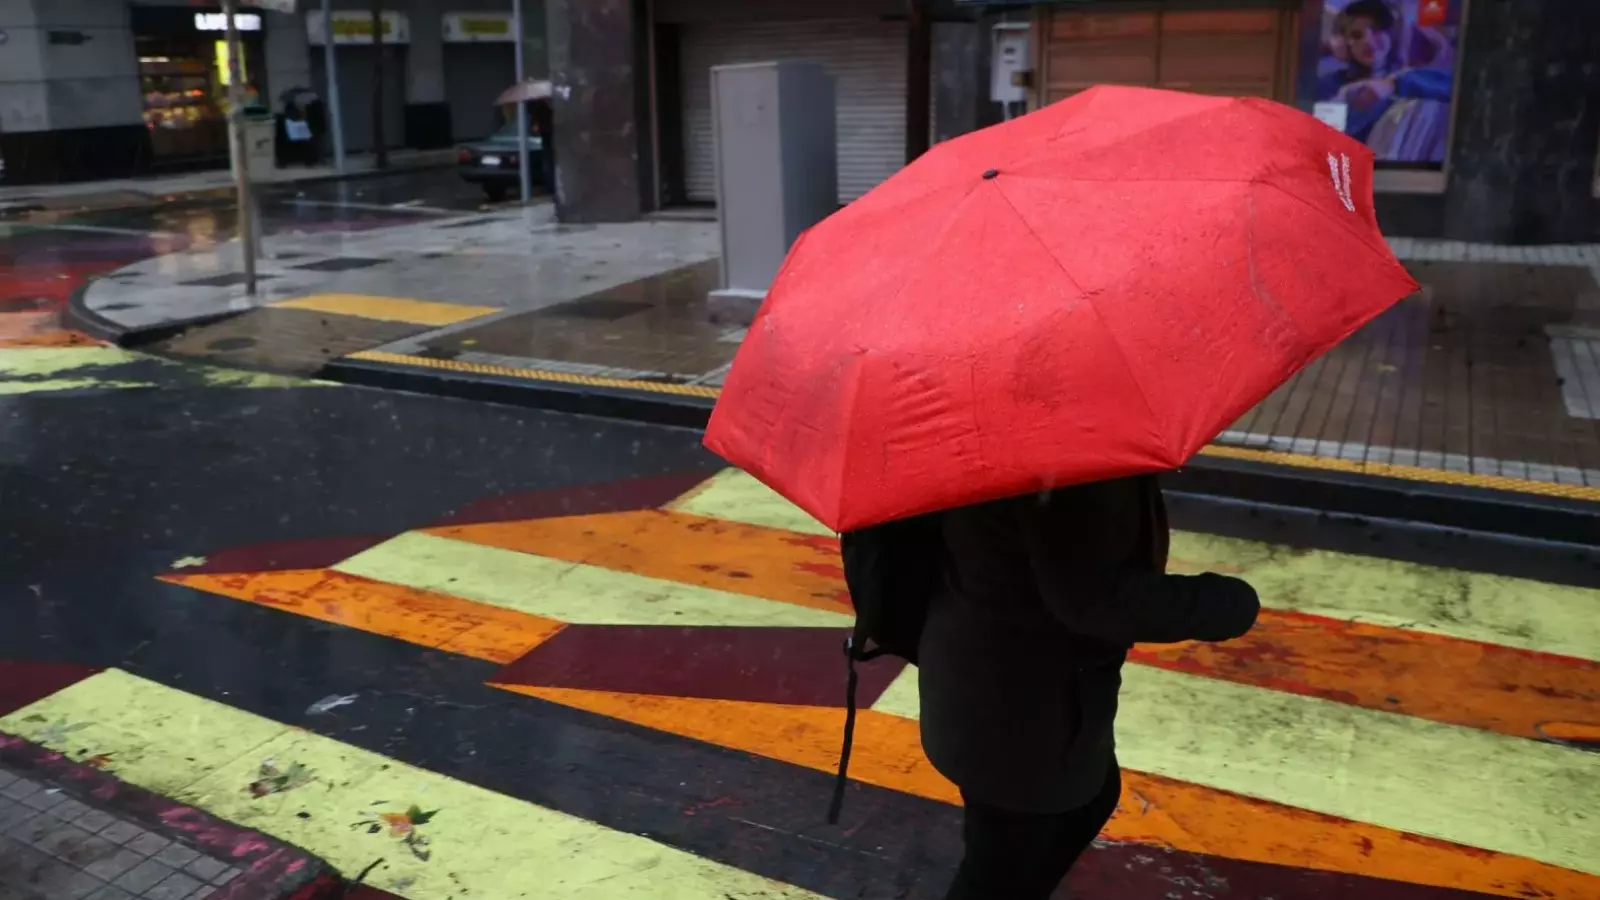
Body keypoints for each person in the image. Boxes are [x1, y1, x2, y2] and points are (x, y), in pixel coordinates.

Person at [918, 475, 1260, 899]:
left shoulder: (1007, 436)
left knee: (1067, 813)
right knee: (1004, 864)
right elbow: (1094, 596)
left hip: (987, 671)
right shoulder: (1066, 464)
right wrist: (1227, 602)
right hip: (1019, 705)